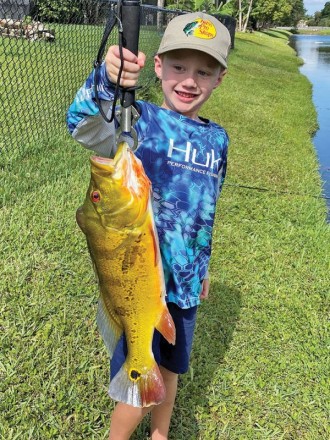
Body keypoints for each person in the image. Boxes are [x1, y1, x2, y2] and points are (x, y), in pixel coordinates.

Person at [67, 11, 231, 440]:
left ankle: (161, 434)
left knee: (172, 369)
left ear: (219, 79)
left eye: (204, 70)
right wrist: (107, 78)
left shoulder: (219, 141)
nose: (189, 80)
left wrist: (203, 267)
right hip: (140, 289)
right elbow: (82, 125)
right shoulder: (138, 121)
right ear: (157, 67)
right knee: (141, 371)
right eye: (178, 66)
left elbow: (205, 211)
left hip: (186, 283)